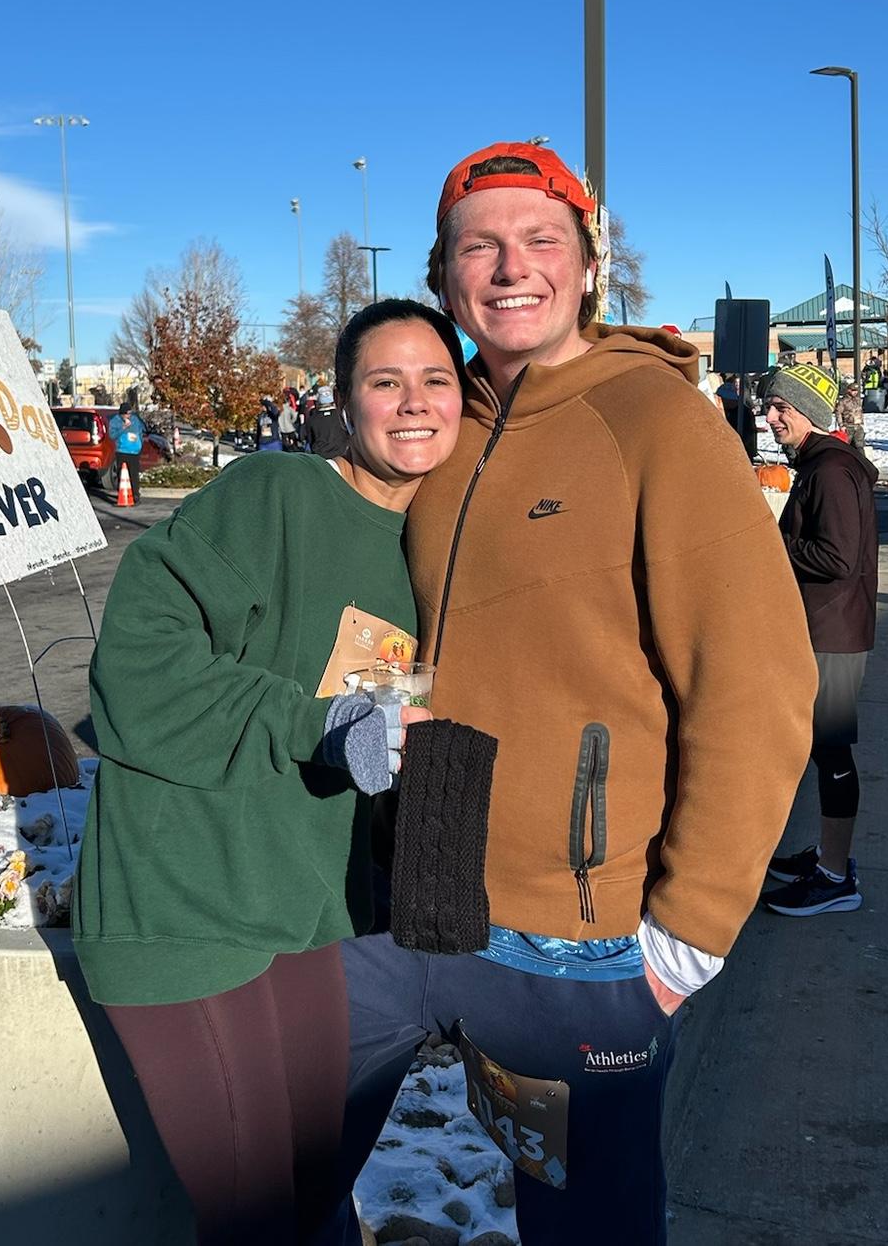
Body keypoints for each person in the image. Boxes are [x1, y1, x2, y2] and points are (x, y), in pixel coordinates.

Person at [336, 142, 816, 1246]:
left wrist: (688, 935)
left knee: (585, 1225)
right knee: (285, 1176)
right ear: (443, 274)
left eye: (542, 240)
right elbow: (379, 614)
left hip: (580, 944)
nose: (513, 267)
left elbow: (757, 685)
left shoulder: (658, 423)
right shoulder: (439, 429)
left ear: (591, 265)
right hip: (423, 902)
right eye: (481, 247)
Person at [73, 300, 466, 1246]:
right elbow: (136, 662)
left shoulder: (429, 550)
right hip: (181, 897)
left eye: (436, 380)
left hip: (301, 905)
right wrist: (313, 725)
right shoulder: (274, 494)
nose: (414, 402)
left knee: (317, 1191)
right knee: (254, 1216)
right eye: (386, 382)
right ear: (344, 402)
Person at [759, 365, 878, 916]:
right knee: (820, 750)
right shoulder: (819, 464)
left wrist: (772, 537)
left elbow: (838, 558)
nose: (770, 416)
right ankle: (828, 857)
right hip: (825, 628)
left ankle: (835, 876)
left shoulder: (830, 470)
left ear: (809, 411)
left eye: (781, 407)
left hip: (832, 633)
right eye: (769, 406)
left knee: (831, 752)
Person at [109, 401, 145, 504]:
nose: (128, 416)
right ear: (121, 413)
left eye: (130, 413)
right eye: (126, 414)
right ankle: (122, 493)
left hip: (134, 451)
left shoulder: (135, 420)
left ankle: (135, 495)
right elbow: (112, 435)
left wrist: (140, 444)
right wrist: (123, 428)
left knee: (134, 474)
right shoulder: (115, 421)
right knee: (122, 473)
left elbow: (140, 432)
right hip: (122, 451)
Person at [303, 383, 348, 459]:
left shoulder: (312, 419)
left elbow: (310, 440)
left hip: (320, 456)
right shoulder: (341, 416)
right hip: (340, 455)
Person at [835, 375, 865, 453]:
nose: (855, 392)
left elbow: (860, 411)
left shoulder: (858, 400)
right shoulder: (843, 401)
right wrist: (841, 425)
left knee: (859, 446)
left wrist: (861, 422)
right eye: (853, 390)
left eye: (856, 390)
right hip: (848, 426)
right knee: (846, 447)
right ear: (848, 390)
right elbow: (838, 413)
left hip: (858, 426)